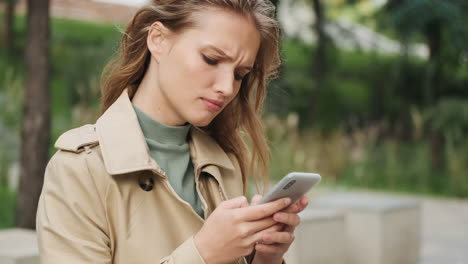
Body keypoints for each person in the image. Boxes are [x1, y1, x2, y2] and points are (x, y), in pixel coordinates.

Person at [36, 0, 309, 263]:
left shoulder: (224, 162)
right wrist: (203, 254)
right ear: (158, 39)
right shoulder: (79, 170)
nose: (227, 87)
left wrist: (264, 258)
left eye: (239, 74)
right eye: (211, 59)